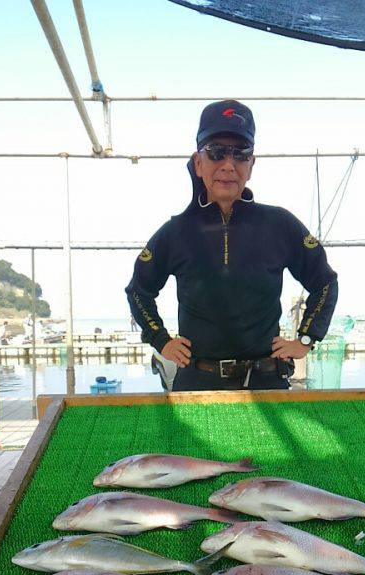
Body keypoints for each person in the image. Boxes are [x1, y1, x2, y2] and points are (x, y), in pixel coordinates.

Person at [126, 100, 338, 391]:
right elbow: (138, 291)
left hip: (266, 380)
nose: (228, 164)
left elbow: (324, 281)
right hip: (197, 381)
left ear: (251, 165)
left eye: (240, 154)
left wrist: (305, 339)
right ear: (198, 163)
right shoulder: (176, 232)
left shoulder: (281, 224)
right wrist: (161, 340)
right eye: (216, 152)